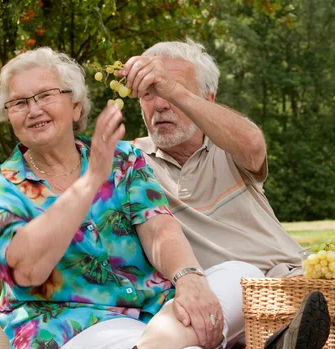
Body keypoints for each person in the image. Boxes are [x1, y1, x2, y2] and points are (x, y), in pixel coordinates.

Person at [0, 47, 330, 349]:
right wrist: (89, 182)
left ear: (76, 106)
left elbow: (158, 227)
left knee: (236, 275)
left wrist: (189, 280)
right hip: (68, 325)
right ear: (9, 116)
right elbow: (27, 272)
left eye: (45, 95)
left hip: (156, 312)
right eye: (19, 103)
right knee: (143, 342)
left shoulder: (124, 158)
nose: (34, 110)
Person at [126, 40, 302, 277]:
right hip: (211, 295)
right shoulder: (129, 162)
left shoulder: (226, 144)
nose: (159, 104)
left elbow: (252, 145)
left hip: (285, 278)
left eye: (170, 90)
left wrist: (173, 90)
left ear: (207, 99)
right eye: (148, 93)